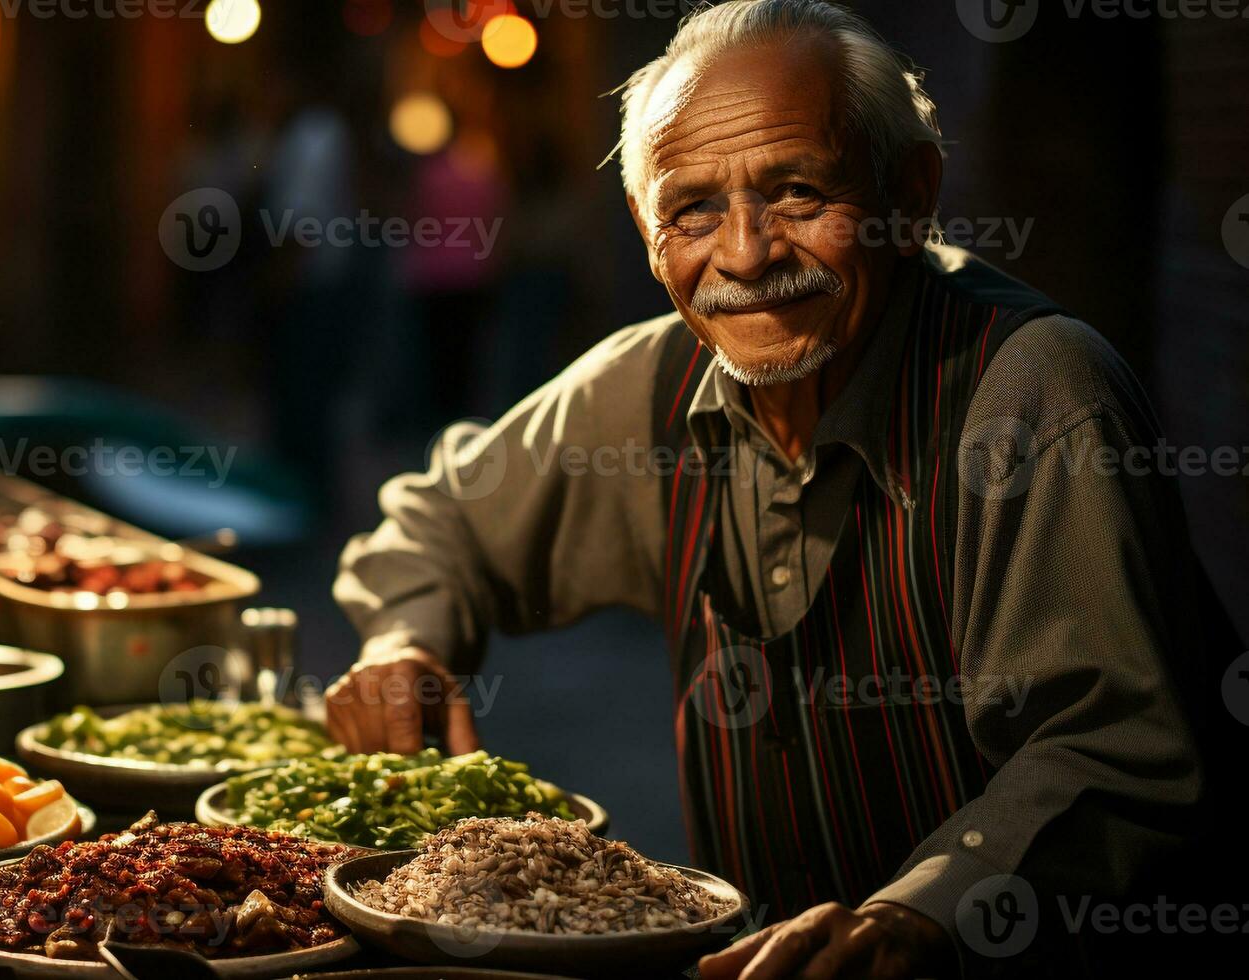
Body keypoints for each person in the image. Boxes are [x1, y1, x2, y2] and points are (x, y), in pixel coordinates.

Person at [326, 2, 1241, 976]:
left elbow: (1115, 753)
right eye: (690, 209)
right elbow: (438, 520)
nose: (744, 253)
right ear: (645, 230)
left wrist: (919, 912)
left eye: (797, 192)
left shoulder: (1029, 393)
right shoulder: (649, 387)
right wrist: (404, 640)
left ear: (908, 193)